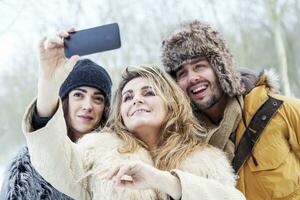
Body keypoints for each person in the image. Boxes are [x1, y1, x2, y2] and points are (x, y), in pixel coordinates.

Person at [21, 32, 245, 200]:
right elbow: (52, 158)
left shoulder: (207, 159)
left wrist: (166, 182)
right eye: (127, 97)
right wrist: (48, 82)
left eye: (148, 92)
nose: (136, 99)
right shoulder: (99, 154)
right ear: (120, 113)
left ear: (172, 104)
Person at [161, 20, 300, 200]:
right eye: (182, 73)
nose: (192, 78)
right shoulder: (186, 142)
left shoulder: (281, 110)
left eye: (199, 66)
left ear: (220, 68)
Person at [0, 31, 112, 199]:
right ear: (64, 101)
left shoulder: (117, 159)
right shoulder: (29, 167)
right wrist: (48, 82)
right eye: (78, 95)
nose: (88, 106)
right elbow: (45, 130)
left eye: (98, 99)